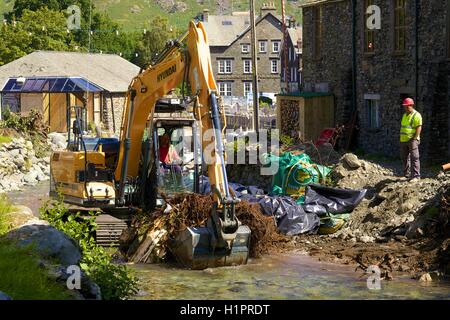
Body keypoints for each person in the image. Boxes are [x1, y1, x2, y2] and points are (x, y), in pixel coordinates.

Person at [399, 97, 422, 180]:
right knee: (404, 158)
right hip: (403, 140)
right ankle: (406, 175)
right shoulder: (404, 115)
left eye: (407, 106)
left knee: (414, 158)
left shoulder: (416, 115)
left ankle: (416, 176)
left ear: (411, 105)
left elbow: (419, 128)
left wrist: (414, 139)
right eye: (404, 106)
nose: (405, 107)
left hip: (412, 140)